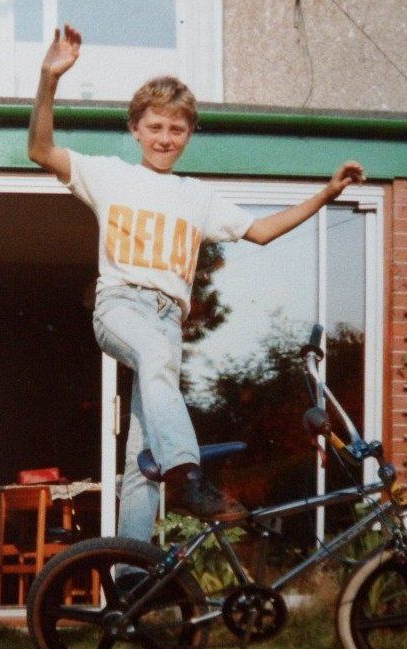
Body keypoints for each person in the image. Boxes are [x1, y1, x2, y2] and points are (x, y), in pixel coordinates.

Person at [28, 25, 365, 544]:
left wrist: (326, 193)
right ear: (136, 129)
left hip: (167, 321)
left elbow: (262, 231)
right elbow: (40, 148)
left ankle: (133, 581)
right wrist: (50, 79)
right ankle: (188, 478)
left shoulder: (197, 197)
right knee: (160, 372)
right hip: (119, 307)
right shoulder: (110, 175)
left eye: (176, 130)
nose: (165, 139)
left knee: (143, 461)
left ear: (188, 135)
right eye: (156, 127)